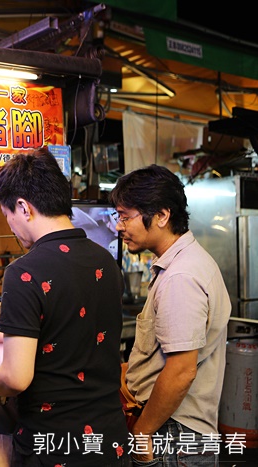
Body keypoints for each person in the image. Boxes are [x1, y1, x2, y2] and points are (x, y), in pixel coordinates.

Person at [0, 148, 131, 466]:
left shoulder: (24, 272)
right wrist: (9, 338)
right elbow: (73, 331)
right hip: (110, 441)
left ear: (23, 207)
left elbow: (15, 378)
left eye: (6, 213)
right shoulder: (105, 261)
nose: (10, 224)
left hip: (54, 446)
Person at [109, 164, 231, 466]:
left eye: (126, 216)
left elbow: (181, 371)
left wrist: (142, 432)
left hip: (173, 436)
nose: (119, 226)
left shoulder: (181, 277)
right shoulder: (183, 264)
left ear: (162, 216)